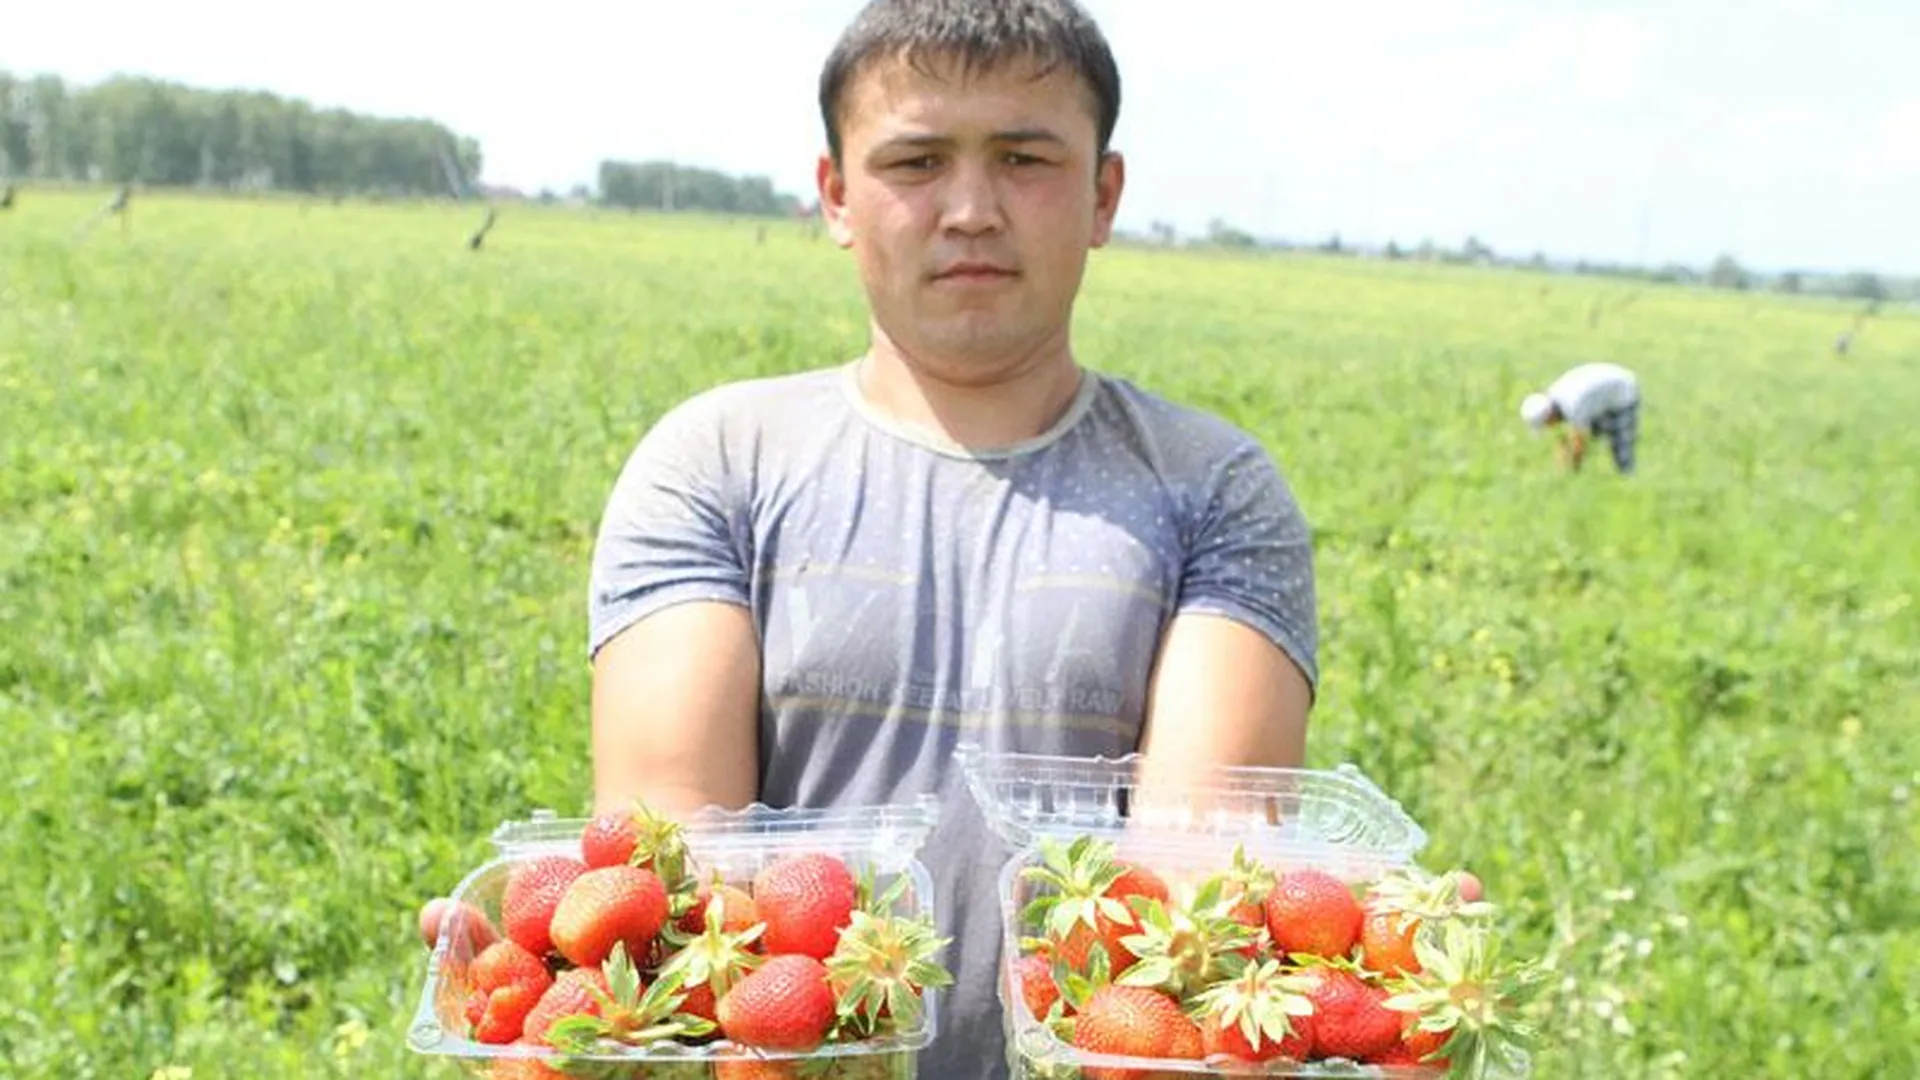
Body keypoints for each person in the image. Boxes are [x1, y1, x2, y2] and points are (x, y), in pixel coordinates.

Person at [423, 2, 1333, 1074]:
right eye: (915, 160)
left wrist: (1369, 973)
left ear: (1103, 195)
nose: (971, 209)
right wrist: (577, 1006)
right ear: (837, 197)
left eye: (1025, 158)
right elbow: (674, 851)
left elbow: (1198, 876)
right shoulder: (718, 461)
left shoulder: (1211, 488)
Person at [1519, 361, 1642, 475]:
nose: (1549, 427)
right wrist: (1561, 465)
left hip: (1623, 392)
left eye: (1546, 424)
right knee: (1596, 431)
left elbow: (1579, 443)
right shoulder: (1554, 398)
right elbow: (1563, 439)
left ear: (1549, 416)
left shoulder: (1573, 405)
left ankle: (1629, 476)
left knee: (1620, 444)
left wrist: (1573, 472)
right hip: (1600, 397)